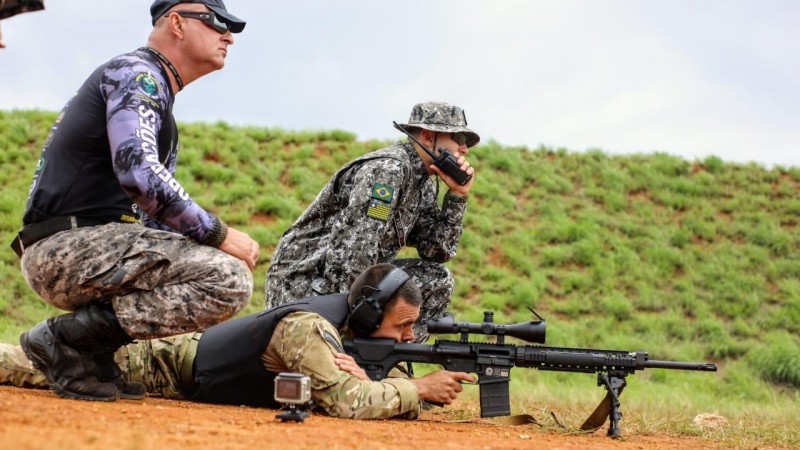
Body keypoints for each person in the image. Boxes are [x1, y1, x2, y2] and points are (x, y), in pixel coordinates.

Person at [11, 0, 258, 403]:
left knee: (215, 265)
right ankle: (64, 340)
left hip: (88, 247)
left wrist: (207, 241)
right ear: (177, 23)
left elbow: (153, 215)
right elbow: (138, 173)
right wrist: (218, 234)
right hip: (66, 248)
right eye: (217, 23)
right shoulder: (138, 74)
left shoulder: (156, 93)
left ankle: (89, 351)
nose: (228, 36)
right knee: (226, 278)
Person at [1, 264, 476, 419]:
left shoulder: (354, 331)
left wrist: (391, 382)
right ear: (370, 313)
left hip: (183, 364)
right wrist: (417, 389)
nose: (409, 337)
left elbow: (369, 385)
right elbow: (349, 402)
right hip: (158, 363)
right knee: (20, 366)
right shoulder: (307, 328)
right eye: (401, 327)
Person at [266, 101, 480, 343]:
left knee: (437, 279)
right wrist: (349, 325)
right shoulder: (387, 170)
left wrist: (457, 197)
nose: (465, 149)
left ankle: (382, 359)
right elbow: (352, 255)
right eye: (459, 137)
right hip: (307, 286)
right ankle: (356, 355)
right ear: (428, 137)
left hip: (351, 284)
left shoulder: (423, 184)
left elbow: (437, 251)